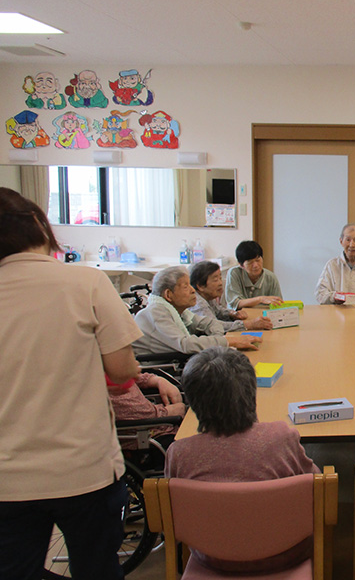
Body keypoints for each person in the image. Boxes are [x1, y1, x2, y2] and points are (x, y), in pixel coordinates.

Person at [0, 188, 141, 580]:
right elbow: (122, 367)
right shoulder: (86, 283)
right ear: (39, 227)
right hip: (83, 468)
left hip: (7, 477)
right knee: (96, 567)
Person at [165, 347, 318, 573]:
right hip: (284, 555)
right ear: (250, 392)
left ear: (194, 402)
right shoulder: (281, 437)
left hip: (212, 558)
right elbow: (316, 488)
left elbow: (175, 513)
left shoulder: (179, 453)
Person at [133, 266, 260, 357]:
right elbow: (185, 344)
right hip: (159, 369)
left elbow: (210, 323)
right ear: (168, 294)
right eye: (185, 287)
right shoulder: (156, 313)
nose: (192, 290)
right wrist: (228, 341)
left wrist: (218, 339)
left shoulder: (180, 311)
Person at [107, 372, 185, 468]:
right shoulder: (109, 389)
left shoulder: (112, 371)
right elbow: (142, 415)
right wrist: (173, 410)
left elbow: (132, 375)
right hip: (148, 440)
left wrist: (157, 380)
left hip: (158, 425)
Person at [189, 260, 273, 332]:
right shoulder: (197, 303)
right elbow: (214, 326)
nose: (220, 283)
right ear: (200, 286)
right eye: (215, 280)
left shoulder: (208, 296)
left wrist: (232, 314)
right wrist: (248, 324)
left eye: (220, 278)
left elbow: (218, 311)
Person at [225, 240, 284, 309]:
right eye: (250, 262)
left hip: (263, 316)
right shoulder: (234, 273)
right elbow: (235, 303)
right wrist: (261, 299)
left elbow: (278, 304)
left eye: (258, 260)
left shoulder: (271, 277)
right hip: (238, 317)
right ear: (241, 265)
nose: (255, 265)